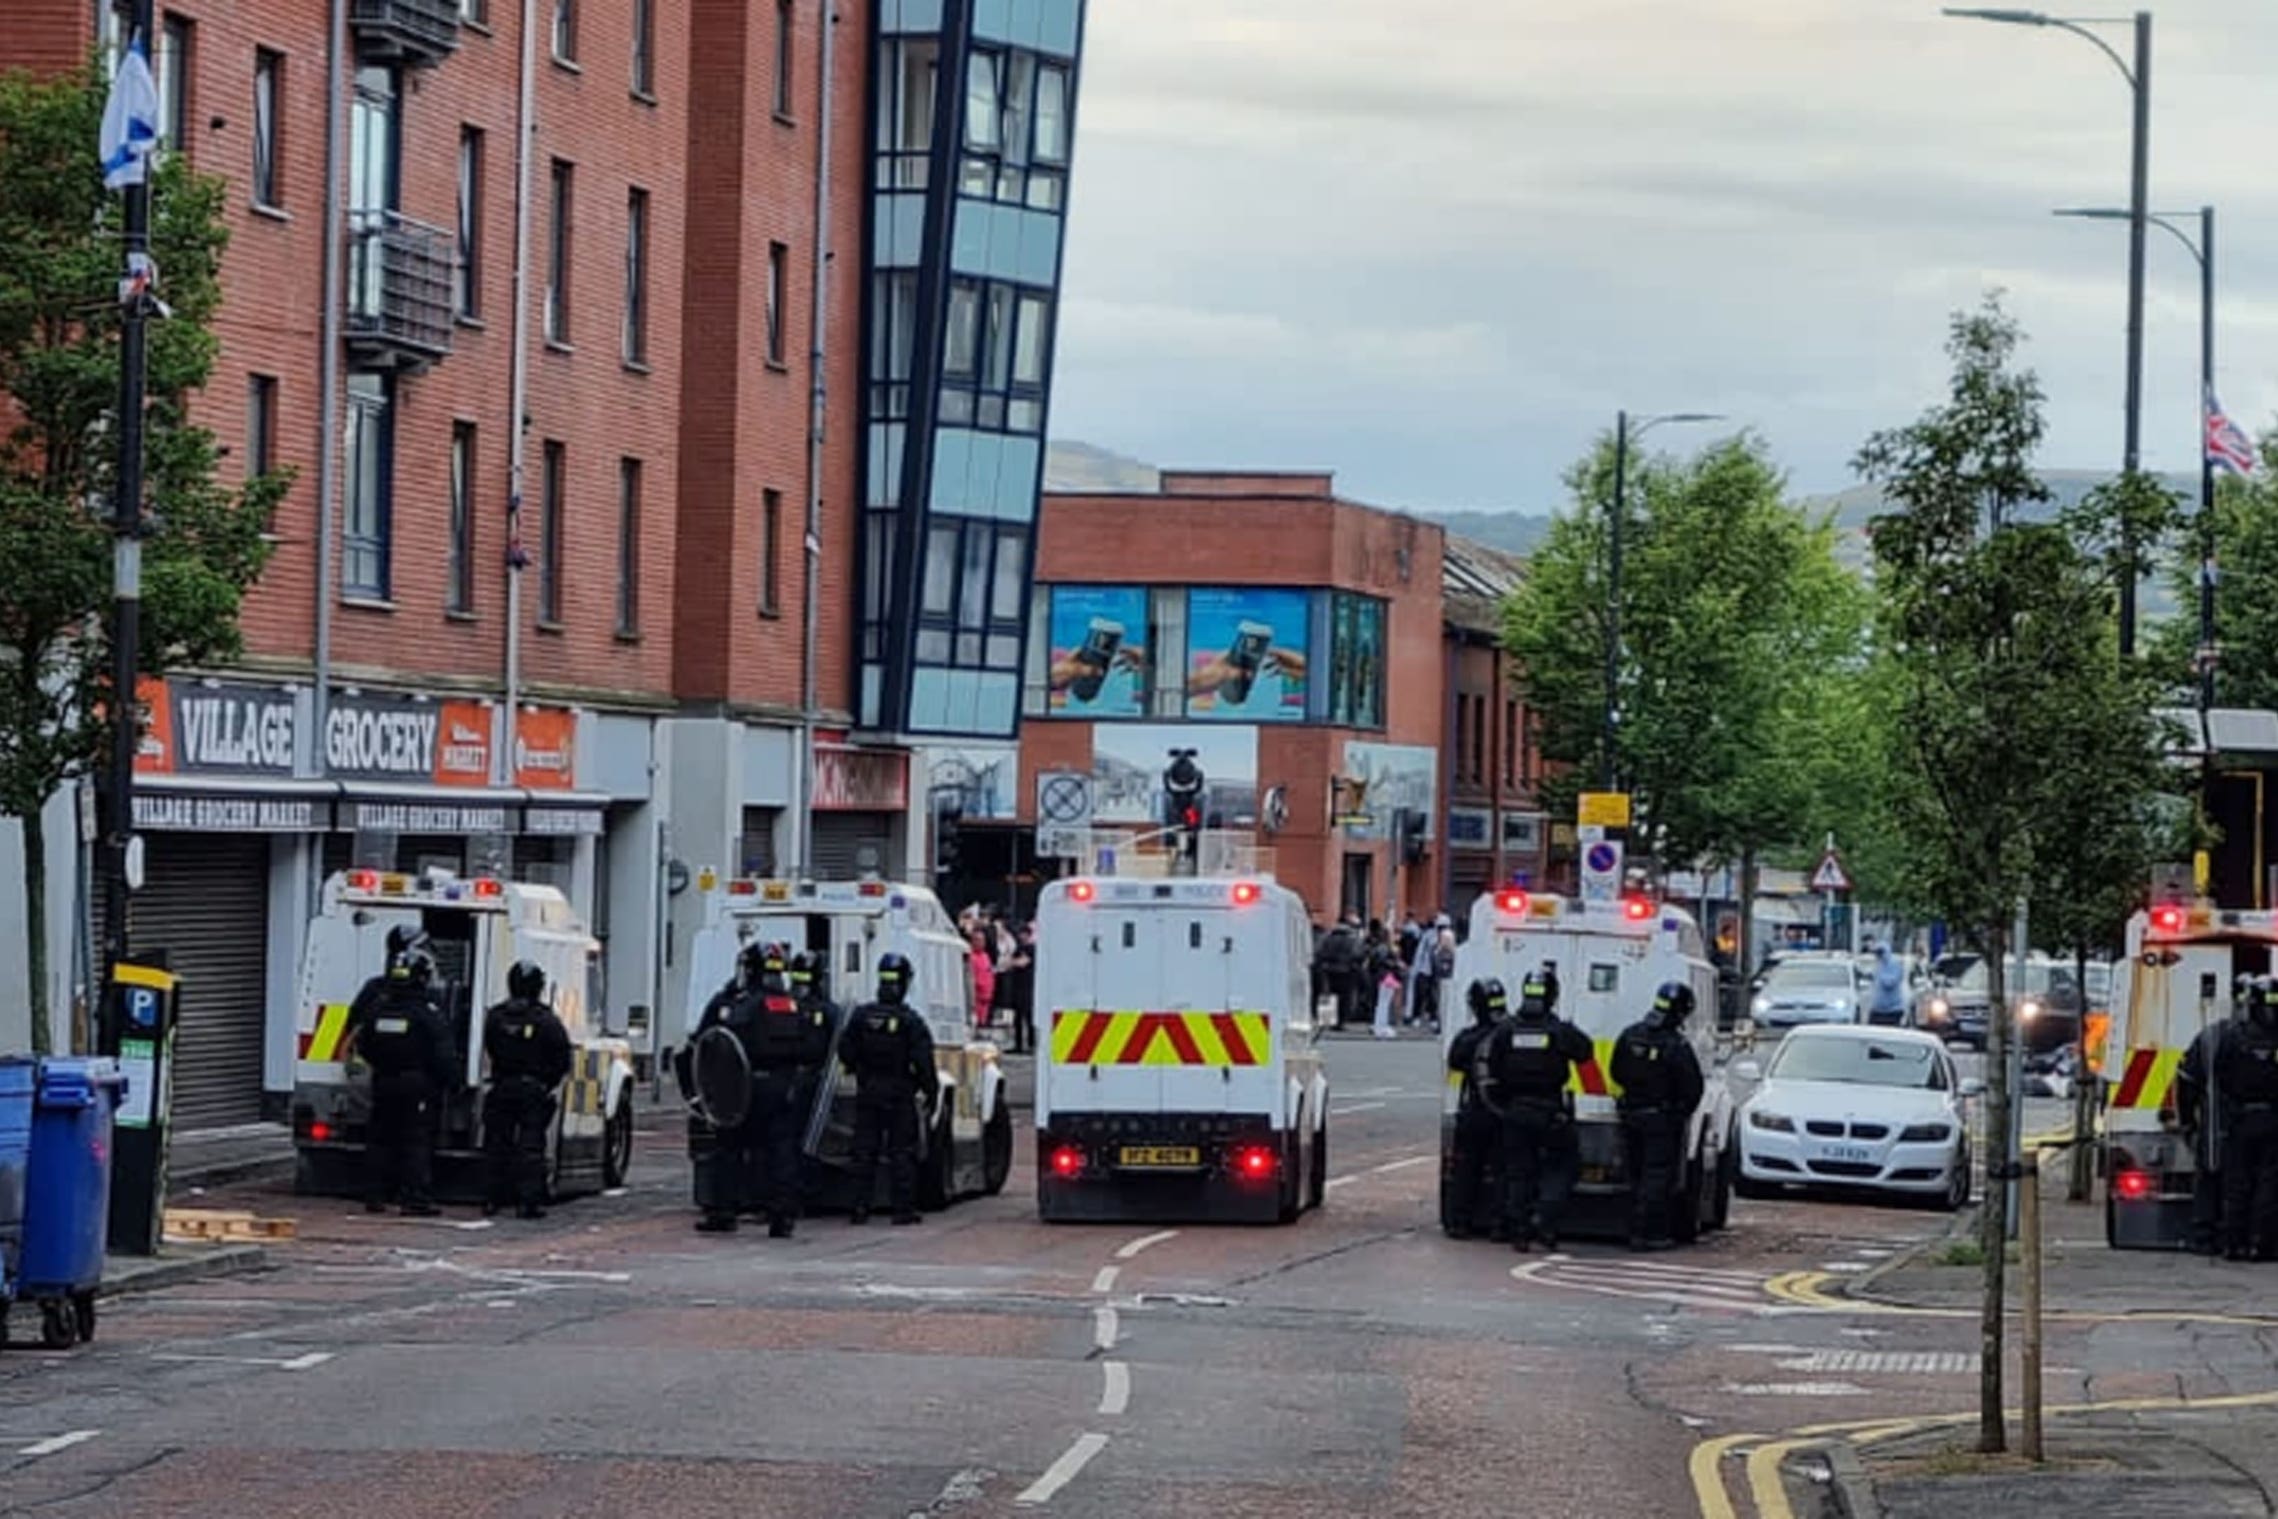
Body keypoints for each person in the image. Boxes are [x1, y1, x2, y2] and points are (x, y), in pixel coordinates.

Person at [347, 928, 455, 1217]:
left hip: (383, 1080)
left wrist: (380, 1065)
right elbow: (442, 1051)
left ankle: (374, 1195)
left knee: (380, 1137)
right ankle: (415, 1198)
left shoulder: (377, 1003)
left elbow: (362, 1039)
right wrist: (449, 1082)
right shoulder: (427, 1010)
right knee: (415, 1141)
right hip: (416, 1084)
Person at [1484, 970, 1593, 1250]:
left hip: (1516, 1111)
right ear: (1552, 996)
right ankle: (1544, 1219)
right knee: (1562, 1165)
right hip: (1550, 1111)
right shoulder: (1558, 1031)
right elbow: (1585, 1051)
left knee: (1519, 1172)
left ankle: (1519, 1231)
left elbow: (1493, 1067)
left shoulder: (1507, 1030)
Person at [840, 952, 941, 1225]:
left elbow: (845, 1050)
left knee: (864, 1151)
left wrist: (860, 1069)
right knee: (902, 1152)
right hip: (899, 1093)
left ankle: (859, 1207)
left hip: (869, 1090)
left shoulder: (862, 1016)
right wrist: (930, 1091)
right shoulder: (911, 1021)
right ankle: (902, 1209)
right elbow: (924, 1061)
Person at [1610, 981, 1708, 1252]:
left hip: (1630, 1116)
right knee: (1657, 1177)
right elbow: (1692, 1088)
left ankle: (1630, 1229)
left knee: (1635, 1174)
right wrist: (1677, 1114)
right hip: (1661, 1120)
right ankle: (1648, 1234)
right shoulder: (1676, 1045)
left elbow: (1616, 1071)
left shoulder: (1630, 1035)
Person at [481, 960, 573, 1220]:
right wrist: (546, 1083)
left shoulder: (496, 1016)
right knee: (531, 1146)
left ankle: (491, 1199)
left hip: (502, 1087)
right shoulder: (546, 1020)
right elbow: (562, 1058)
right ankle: (528, 1202)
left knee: (497, 1144)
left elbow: (490, 1046)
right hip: (532, 1089)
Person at [2175, 980, 2247, 1256]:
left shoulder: (2212, 1037)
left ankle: (2208, 1236)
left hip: (2219, 1125)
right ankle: (2243, 1239)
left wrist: (2186, 1122)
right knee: (2251, 1181)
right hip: (2249, 1124)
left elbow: (2188, 1082)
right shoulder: (2262, 1036)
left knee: (2211, 1176)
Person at [2214, 977, 2278, 1262]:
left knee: (2237, 1184)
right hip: (2272, 1120)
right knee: (2268, 1184)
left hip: (2240, 1120)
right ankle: (2259, 1244)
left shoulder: (2232, 1037)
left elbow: (2220, 1076)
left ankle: (2232, 1243)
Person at [1445, 978, 1512, 1239]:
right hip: (1504, 1113)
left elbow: (1456, 1063)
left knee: (1466, 1170)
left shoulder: (1467, 1039)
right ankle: (1499, 1224)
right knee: (1503, 1171)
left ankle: (1459, 1222)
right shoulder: (1511, 1034)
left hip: (1474, 1111)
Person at [1868, 943, 1908, 1026]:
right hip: (1878, 1009)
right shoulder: (1879, 965)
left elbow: (1890, 983)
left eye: (1879, 952)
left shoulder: (1894, 964)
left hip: (1893, 1010)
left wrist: (1880, 976)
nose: (1877, 956)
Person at [968, 927, 997, 1032]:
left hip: (987, 997)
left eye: (983, 940)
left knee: (984, 1025)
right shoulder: (970, 957)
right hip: (976, 998)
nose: (981, 943)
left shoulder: (986, 956)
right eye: (978, 940)